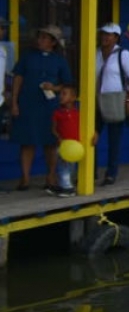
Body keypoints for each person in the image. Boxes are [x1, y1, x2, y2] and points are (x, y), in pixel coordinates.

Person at [12, 26, 72, 190]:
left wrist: (54, 88)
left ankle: (50, 177)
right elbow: (18, 78)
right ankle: (25, 178)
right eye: (40, 37)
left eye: (45, 38)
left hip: (50, 106)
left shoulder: (59, 60)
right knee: (27, 141)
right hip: (28, 103)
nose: (41, 40)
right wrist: (15, 102)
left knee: (50, 142)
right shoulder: (27, 56)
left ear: (53, 42)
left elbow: (66, 84)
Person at [94, 23, 129, 186]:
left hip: (115, 99)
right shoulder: (96, 54)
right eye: (103, 34)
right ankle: (90, 171)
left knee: (114, 138)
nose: (105, 37)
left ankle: (111, 173)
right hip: (97, 99)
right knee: (91, 135)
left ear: (116, 37)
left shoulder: (123, 54)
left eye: (110, 35)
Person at [45, 84, 81, 198]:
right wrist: (59, 137)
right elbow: (54, 129)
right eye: (60, 94)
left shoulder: (78, 113)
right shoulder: (57, 113)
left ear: (73, 97)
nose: (61, 96)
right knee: (63, 165)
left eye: (64, 94)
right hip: (63, 145)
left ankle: (68, 187)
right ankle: (65, 187)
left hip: (76, 146)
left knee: (70, 167)